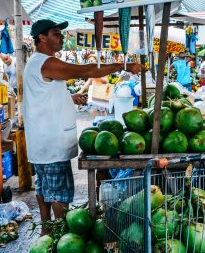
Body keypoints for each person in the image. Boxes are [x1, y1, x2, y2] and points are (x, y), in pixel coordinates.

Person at [23, 19, 145, 233]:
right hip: (51, 143)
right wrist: (123, 65)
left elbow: (42, 94)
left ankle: (45, 229)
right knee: (58, 192)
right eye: (55, 33)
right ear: (41, 38)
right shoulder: (45, 62)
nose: (60, 37)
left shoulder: (36, 63)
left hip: (41, 142)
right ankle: (60, 235)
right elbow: (85, 70)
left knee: (44, 186)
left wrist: (68, 96)